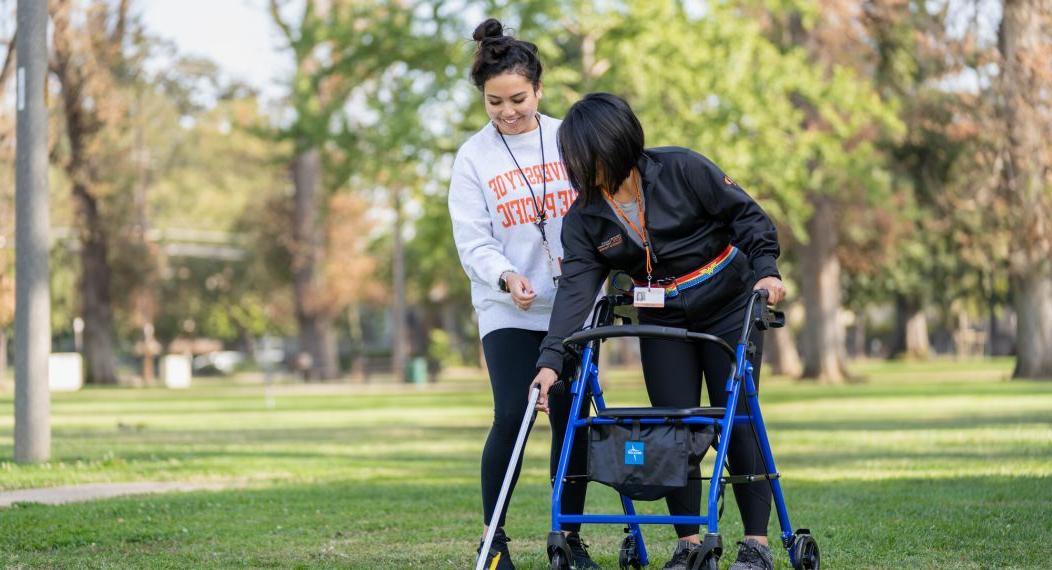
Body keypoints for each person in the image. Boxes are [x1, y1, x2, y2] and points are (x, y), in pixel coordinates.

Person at [531, 93, 787, 570]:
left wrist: (767, 269)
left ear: (616, 144)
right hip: (661, 316)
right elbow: (575, 295)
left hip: (729, 302)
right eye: (573, 160)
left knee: (739, 417)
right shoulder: (585, 218)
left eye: (587, 157)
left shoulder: (682, 168)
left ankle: (757, 545)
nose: (579, 169)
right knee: (675, 428)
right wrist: (550, 361)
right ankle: (690, 546)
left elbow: (747, 216)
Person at [448, 18, 599, 570]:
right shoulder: (472, 159)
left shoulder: (568, 139)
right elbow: (472, 239)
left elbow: (598, 208)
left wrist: (588, 258)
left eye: (517, 98)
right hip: (508, 307)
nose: (507, 111)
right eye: (494, 102)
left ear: (538, 88)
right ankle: (494, 542)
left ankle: (568, 537)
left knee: (572, 419)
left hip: (574, 307)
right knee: (512, 414)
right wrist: (507, 276)